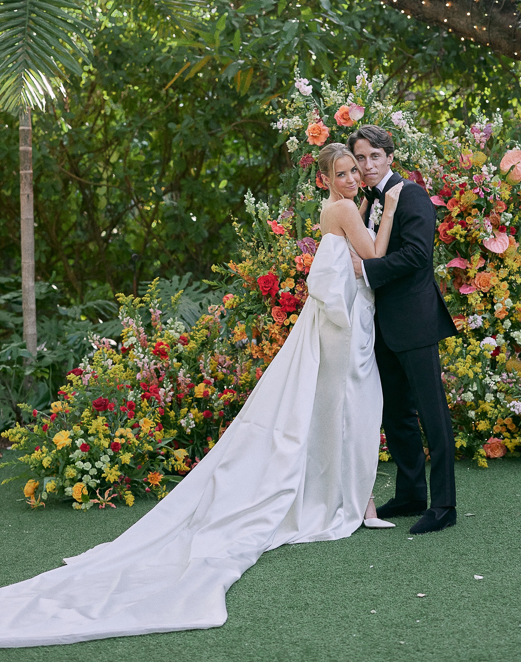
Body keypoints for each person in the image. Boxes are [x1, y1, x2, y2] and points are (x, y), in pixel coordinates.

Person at [0, 143, 401, 648]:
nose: (349, 179)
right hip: (342, 328)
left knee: (341, 409)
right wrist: (391, 204)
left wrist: (369, 208)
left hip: (340, 323)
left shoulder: (339, 208)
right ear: (324, 180)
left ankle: (351, 497)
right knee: (350, 406)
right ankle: (352, 501)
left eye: (352, 172)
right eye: (340, 173)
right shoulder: (345, 207)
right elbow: (375, 256)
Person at [348, 125, 459, 535]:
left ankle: (443, 506)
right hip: (380, 325)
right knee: (397, 415)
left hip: (414, 321)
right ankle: (412, 494)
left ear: (389, 157)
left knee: (433, 416)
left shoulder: (410, 194)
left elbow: (416, 255)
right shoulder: (370, 201)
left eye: (374, 156)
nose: (367, 165)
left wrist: (367, 269)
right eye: (360, 158)